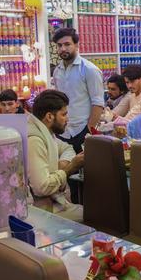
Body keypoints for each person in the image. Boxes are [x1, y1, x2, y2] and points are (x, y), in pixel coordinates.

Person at [27, 90, 84, 222]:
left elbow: (67, 148)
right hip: (42, 211)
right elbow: (42, 187)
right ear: (49, 116)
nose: (67, 119)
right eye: (64, 114)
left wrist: (62, 163)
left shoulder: (45, 131)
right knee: (98, 217)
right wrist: (70, 168)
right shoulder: (35, 140)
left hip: (55, 203)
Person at [52, 28, 105, 153]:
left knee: (86, 170)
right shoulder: (57, 71)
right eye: (59, 45)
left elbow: (98, 103)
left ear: (76, 45)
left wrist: (88, 131)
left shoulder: (89, 70)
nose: (63, 49)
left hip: (82, 130)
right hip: (62, 131)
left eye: (67, 44)